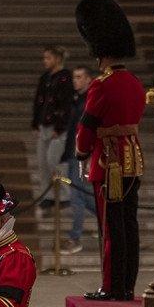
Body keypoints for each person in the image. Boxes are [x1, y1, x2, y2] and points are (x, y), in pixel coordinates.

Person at [74, 0, 146, 302]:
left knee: (110, 229)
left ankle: (112, 285)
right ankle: (127, 282)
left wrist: (80, 152)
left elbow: (87, 126)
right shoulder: (134, 82)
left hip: (109, 161)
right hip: (133, 157)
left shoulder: (102, 84)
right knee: (128, 224)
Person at [32, 45, 74, 211]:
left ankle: (64, 195)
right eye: (44, 58)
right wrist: (35, 123)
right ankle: (47, 195)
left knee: (53, 161)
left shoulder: (65, 78)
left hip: (57, 127)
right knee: (42, 162)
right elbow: (38, 101)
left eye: (48, 58)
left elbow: (66, 104)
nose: (45, 61)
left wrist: (60, 125)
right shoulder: (45, 78)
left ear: (57, 58)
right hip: (44, 124)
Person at [62, 65, 97, 254]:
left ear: (88, 79)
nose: (75, 80)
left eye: (79, 77)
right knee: (83, 196)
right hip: (73, 153)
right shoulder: (77, 100)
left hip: (80, 154)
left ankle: (75, 238)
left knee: (77, 196)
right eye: (74, 77)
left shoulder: (88, 101)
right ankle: (108, 223)